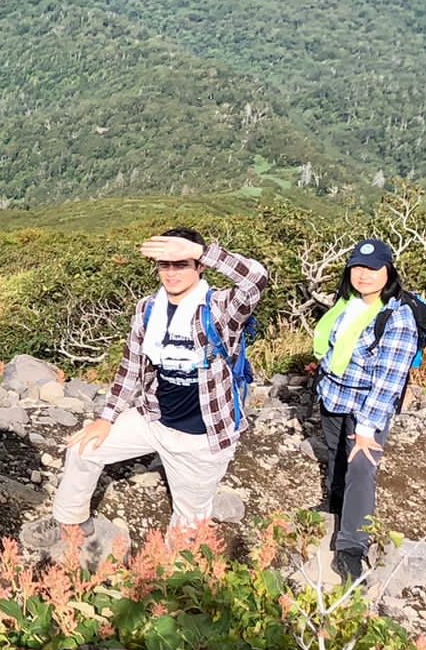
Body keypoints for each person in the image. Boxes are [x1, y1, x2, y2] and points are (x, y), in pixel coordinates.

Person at [51, 228, 269, 534]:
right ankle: (69, 523)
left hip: (203, 436)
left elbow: (256, 281)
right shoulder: (148, 308)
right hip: (153, 417)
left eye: (181, 264)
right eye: (164, 264)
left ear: (199, 266)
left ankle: (170, 576)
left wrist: (201, 251)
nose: (171, 273)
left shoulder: (220, 308)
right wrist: (106, 418)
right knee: (82, 449)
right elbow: (130, 366)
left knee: (189, 526)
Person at [310, 238, 421, 585]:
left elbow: (389, 378)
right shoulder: (346, 304)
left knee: (360, 466)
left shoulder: (397, 317)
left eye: (373, 269)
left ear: (388, 272)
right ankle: (335, 506)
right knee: (336, 455)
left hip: (366, 406)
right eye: (358, 267)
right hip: (333, 395)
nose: (364, 275)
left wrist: (368, 427)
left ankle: (351, 546)